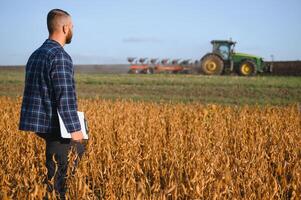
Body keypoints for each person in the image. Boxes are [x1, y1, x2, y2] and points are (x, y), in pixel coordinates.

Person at [19, 9, 85, 199]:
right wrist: (76, 132)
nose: (72, 30)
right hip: (56, 127)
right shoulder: (60, 56)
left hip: (41, 124)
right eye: (72, 27)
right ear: (65, 28)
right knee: (60, 180)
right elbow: (65, 97)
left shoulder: (36, 54)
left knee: (53, 173)